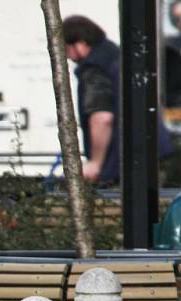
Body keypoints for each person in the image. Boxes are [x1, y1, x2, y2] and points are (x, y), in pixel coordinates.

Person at [63, 15, 173, 185]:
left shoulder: (96, 67)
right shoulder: (117, 56)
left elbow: (102, 118)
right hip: (153, 151)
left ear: (81, 44)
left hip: (126, 161)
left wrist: (96, 163)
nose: (66, 56)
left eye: (65, 48)